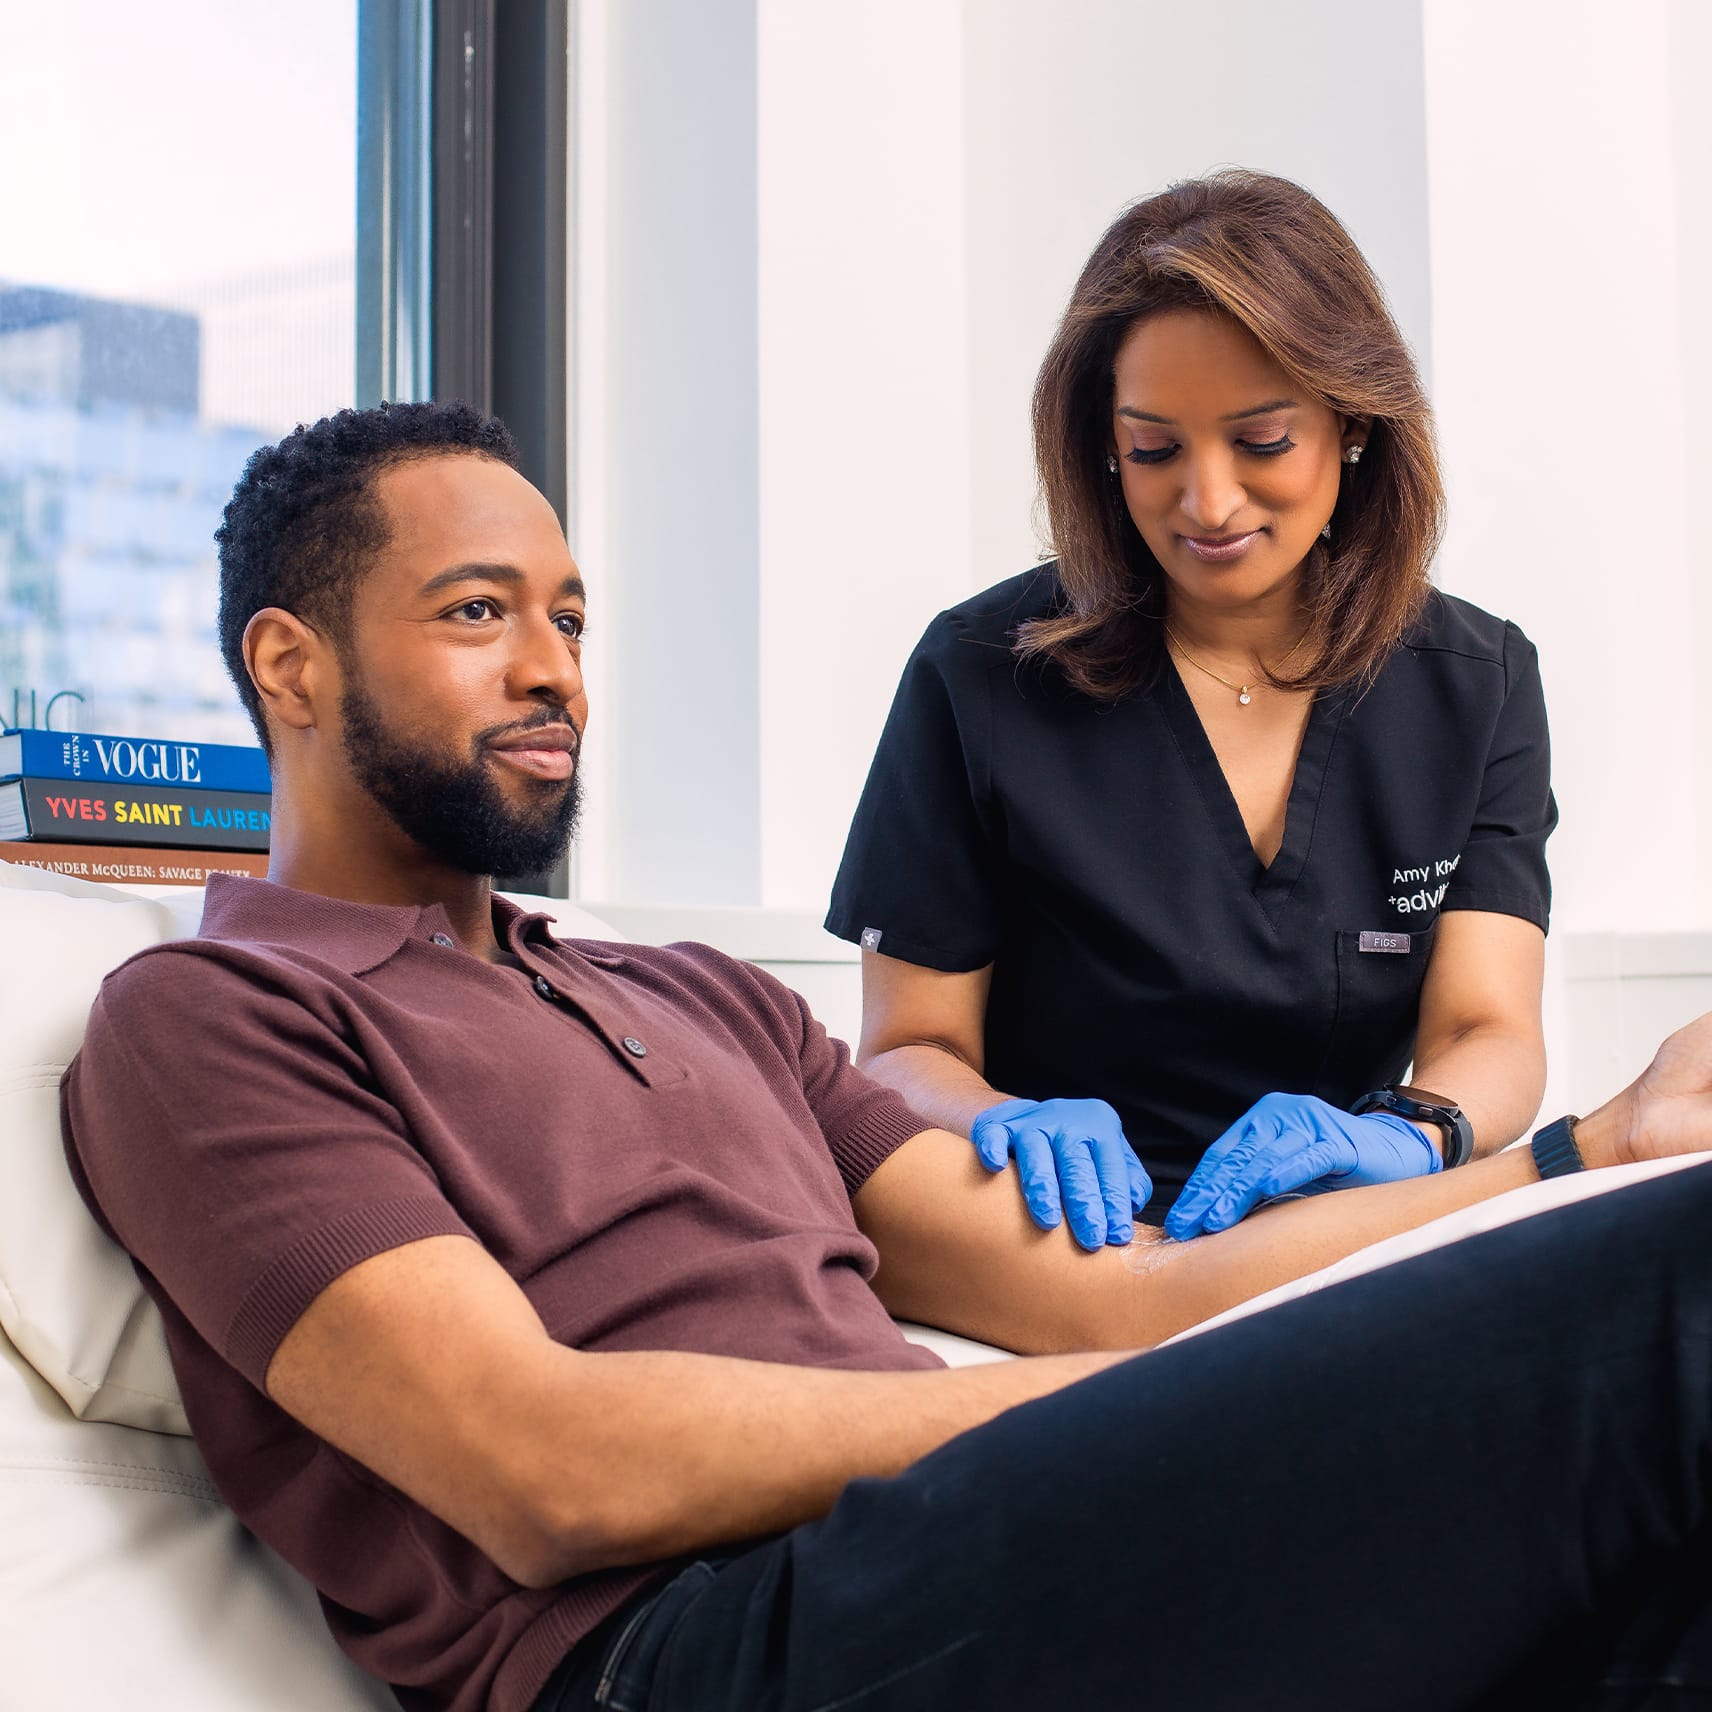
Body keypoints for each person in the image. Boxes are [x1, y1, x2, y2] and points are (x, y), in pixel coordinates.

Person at [59, 403, 1712, 1712]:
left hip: (971, 1564)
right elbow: (541, 1465)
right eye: (479, 614)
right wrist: (1105, 1414)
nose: (555, 668)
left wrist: (1584, 1148)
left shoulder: (705, 999)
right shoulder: (216, 1018)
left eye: (569, 618)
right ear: (289, 664)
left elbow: (1124, 1298)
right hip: (694, 1647)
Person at [826, 169, 1556, 1248]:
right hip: (1057, 1235)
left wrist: (1412, 1134)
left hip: (1331, 1233)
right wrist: (1000, 1120)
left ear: (1353, 423)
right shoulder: (979, 672)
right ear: (1102, 443)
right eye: (1154, 449)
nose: (1207, 503)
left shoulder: (1474, 682)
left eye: (1261, 442)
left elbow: (1486, 1027)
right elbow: (904, 1050)